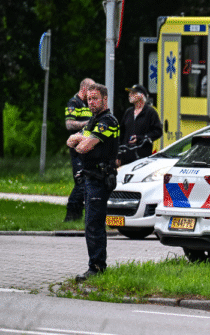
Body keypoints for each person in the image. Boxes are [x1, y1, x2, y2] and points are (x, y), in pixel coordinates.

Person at [66, 83, 120, 282]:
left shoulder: (107, 121)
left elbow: (82, 147)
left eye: (95, 98)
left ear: (105, 99)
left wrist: (81, 140)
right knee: (90, 224)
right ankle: (95, 266)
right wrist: (81, 139)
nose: (91, 102)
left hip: (100, 178)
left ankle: (97, 268)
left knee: (94, 224)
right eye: (89, 99)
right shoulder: (93, 122)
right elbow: (70, 140)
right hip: (90, 178)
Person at [63, 77, 95, 222]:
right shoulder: (73, 103)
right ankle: (71, 214)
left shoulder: (88, 104)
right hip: (76, 148)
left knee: (86, 182)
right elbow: (69, 124)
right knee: (81, 182)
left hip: (87, 148)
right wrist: (87, 123)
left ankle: (78, 215)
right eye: (92, 90)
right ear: (84, 89)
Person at [117, 84, 162, 167]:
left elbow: (158, 131)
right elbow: (121, 133)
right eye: (129, 93)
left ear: (141, 95)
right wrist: (118, 155)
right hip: (125, 157)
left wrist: (140, 138)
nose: (129, 95)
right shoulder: (128, 112)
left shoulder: (150, 112)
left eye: (133, 93)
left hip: (142, 157)